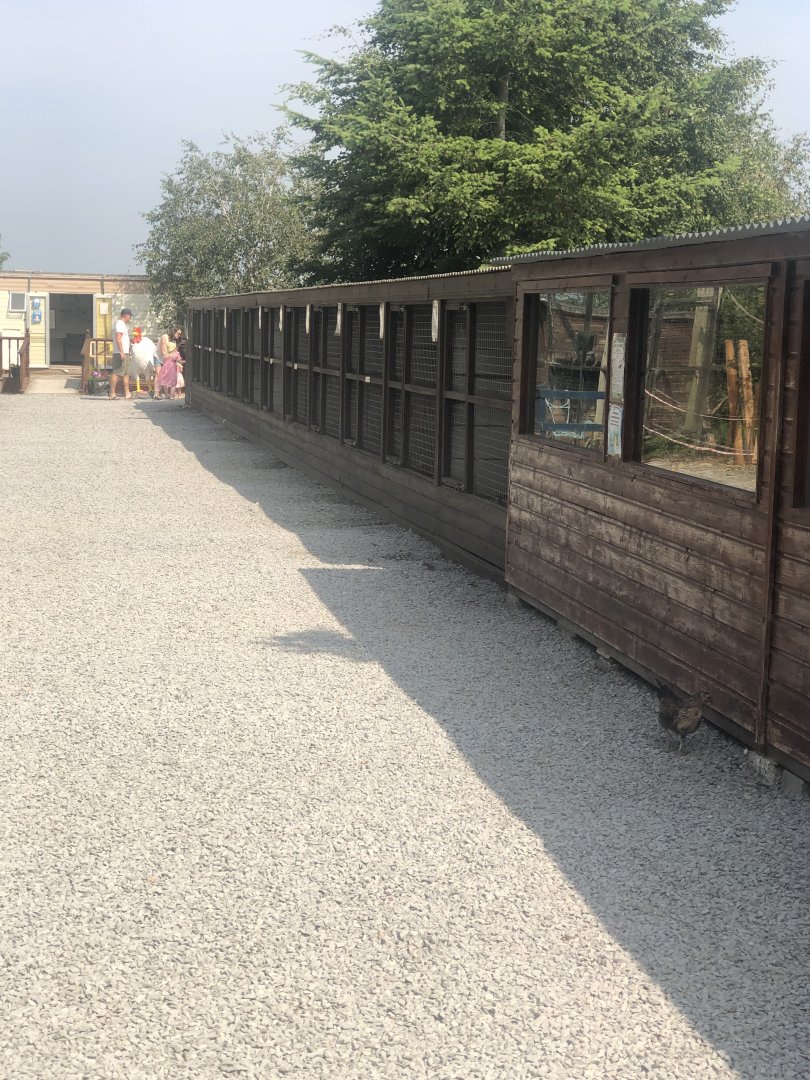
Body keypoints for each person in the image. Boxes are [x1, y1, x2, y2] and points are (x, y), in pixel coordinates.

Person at [109, 308, 132, 399]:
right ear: (126, 315)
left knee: (126, 373)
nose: (130, 318)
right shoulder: (120, 324)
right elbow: (118, 339)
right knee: (117, 372)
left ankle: (127, 393)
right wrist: (121, 352)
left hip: (124, 352)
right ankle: (112, 393)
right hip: (119, 352)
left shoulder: (122, 324)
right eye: (130, 316)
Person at [154, 325, 182, 398]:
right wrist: (169, 358)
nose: (179, 335)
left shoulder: (173, 340)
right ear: (174, 332)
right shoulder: (165, 337)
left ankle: (166, 394)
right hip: (158, 357)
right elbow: (163, 350)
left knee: (165, 375)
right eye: (178, 333)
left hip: (167, 359)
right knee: (159, 375)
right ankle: (156, 393)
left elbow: (174, 351)